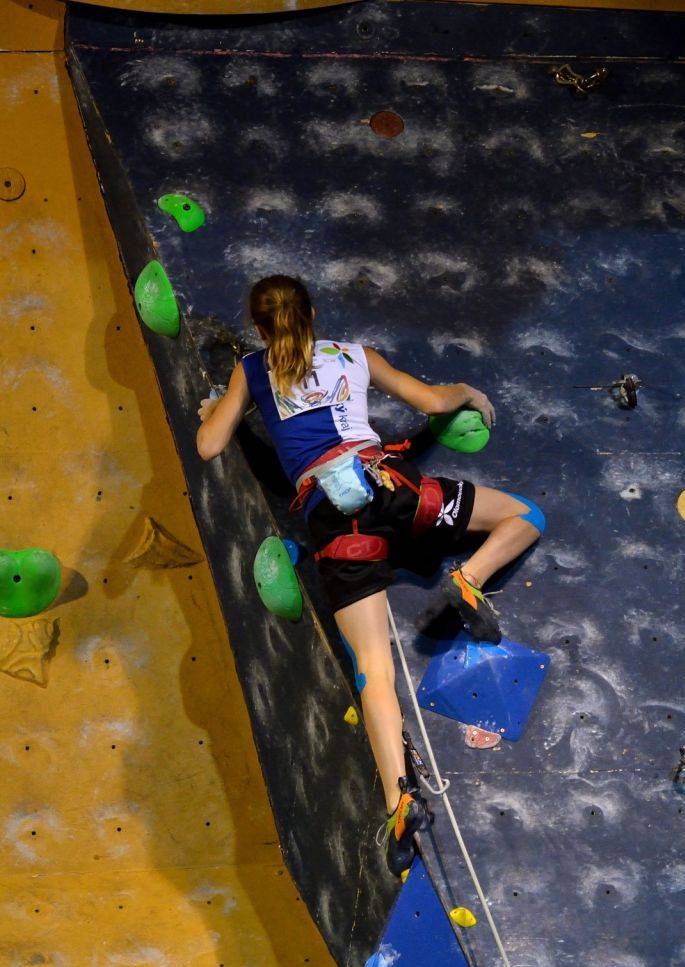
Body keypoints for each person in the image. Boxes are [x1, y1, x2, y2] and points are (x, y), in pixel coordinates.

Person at [195, 275, 545, 876]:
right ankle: (470, 580)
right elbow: (434, 402)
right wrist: (467, 391)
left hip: (337, 524)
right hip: (395, 491)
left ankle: (398, 798)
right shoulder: (353, 356)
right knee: (524, 516)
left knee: (374, 671)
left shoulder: (252, 372)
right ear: (313, 314)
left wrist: (217, 409)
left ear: (258, 327)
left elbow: (208, 446)